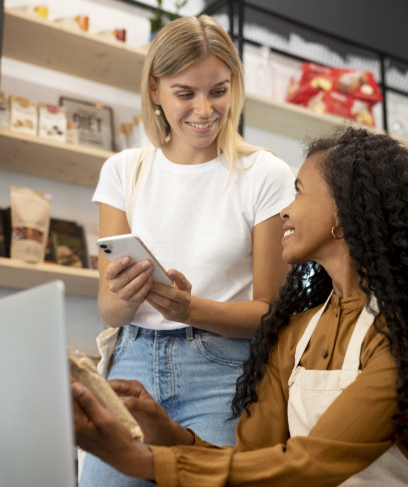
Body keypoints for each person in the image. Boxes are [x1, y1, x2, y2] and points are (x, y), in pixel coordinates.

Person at [73, 127, 408, 486]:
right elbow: (253, 465)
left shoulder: (402, 334)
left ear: (342, 213)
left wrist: (138, 458)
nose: (284, 211)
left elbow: (313, 465)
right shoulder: (296, 332)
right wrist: (161, 429)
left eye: (297, 192)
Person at [82, 14, 295, 487]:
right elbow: (110, 312)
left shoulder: (264, 174)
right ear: (155, 90)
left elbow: (272, 314)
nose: (204, 109)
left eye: (218, 90)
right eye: (186, 93)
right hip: (131, 363)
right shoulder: (123, 171)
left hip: (223, 371)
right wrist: (127, 295)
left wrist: (190, 308)